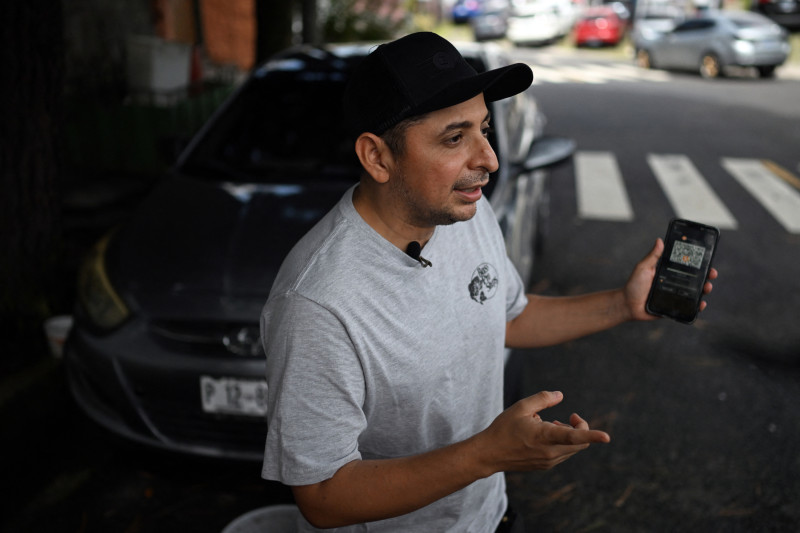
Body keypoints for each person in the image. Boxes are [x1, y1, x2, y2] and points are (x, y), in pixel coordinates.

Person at [260, 32, 716, 532]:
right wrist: (487, 455)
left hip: (490, 516)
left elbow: (507, 315)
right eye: (454, 139)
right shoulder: (317, 302)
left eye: (484, 129)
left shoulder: (464, 213)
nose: (489, 161)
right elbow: (323, 496)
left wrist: (623, 305)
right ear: (377, 157)